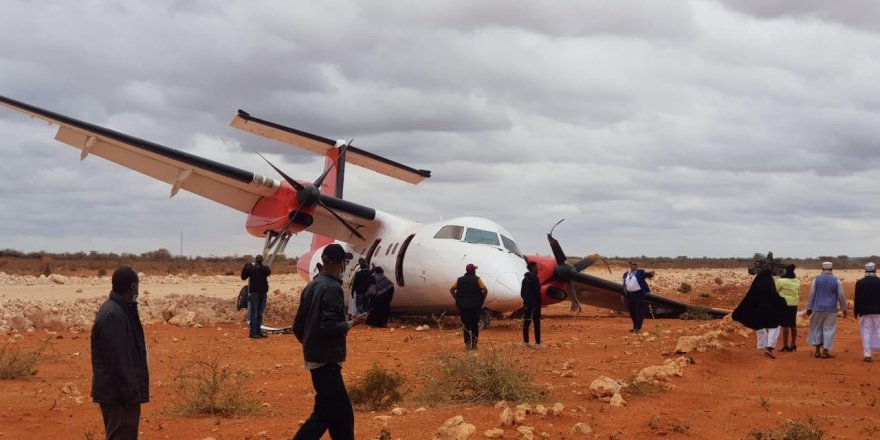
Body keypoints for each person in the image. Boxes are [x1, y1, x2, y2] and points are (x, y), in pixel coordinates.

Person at [293, 244, 366, 440]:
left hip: (316, 358)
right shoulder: (333, 288)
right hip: (327, 361)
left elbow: (298, 326)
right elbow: (330, 326)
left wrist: (311, 344)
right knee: (326, 414)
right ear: (338, 263)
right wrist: (353, 322)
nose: (345, 266)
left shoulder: (311, 286)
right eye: (344, 261)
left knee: (341, 415)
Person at [91, 267, 149, 440]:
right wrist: (131, 394)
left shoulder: (119, 310)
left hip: (119, 392)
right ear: (133, 287)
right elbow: (118, 361)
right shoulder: (113, 315)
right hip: (119, 396)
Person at [732, 264, 788, 358]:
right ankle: (770, 346)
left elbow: (749, 297)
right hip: (770, 310)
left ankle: (762, 346)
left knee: (760, 326)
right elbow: (775, 296)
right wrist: (783, 301)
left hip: (759, 310)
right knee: (774, 326)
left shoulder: (757, 283)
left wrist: (741, 309)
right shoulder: (770, 283)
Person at [806, 261, 847, 359]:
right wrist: (844, 308)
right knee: (829, 330)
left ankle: (816, 351)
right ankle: (825, 352)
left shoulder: (816, 279)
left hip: (817, 307)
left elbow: (812, 294)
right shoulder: (836, 280)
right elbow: (841, 295)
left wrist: (809, 307)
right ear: (832, 269)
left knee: (816, 328)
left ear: (822, 269)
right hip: (831, 309)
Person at [450, 263, 488, 350]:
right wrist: (482, 300)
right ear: (474, 271)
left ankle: (467, 345)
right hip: (475, 307)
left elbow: (452, 289)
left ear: (466, 271)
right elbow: (485, 290)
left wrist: (457, 299)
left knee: (466, 325)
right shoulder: (477, 280)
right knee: (475, 326)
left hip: (464, 307)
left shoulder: (460, 280)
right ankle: (474, 345)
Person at [854, 262, 880, 362]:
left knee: (866, 331)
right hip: (879, 312)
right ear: (875, 270)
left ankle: (867, 354)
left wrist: (856, 311)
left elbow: (857, 298)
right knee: (879, 331)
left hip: (865, 311)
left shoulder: (860, 282)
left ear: (865, 270)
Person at [241, 255, 271, 339]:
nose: (259, 260)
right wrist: (246, 268)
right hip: (255, 293)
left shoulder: (263, 269)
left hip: (262, 293)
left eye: (260, 259)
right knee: (254, 313)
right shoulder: (252, 269)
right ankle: (253, 332)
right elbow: (243, 277)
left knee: (259, 313)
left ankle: (258, 331)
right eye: (258, 259)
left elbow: (268, 272)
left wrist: (248, 268)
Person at [621, 261, 654, 333]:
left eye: (636, 264)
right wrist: (623, 294)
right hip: (630, 295)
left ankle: (638, 328)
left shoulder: (640, 272)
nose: (635, 266)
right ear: (630, 265)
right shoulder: (626, 274)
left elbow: (646, 275)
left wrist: (650, 274)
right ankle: (634, 326)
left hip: (638, 294)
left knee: (638, 311)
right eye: (634, 264)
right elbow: (624, 285)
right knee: (632, 311)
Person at [775, 264, 801, 352]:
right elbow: (798, 292)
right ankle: (793, 344)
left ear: (785, 270)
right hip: (794, 304)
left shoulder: (781, 280)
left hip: (784, 304)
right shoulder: (797, 281)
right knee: (793, 324)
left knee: (785, 325)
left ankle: (785, 345)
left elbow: (776, 292)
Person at [521, 261, 543, 349]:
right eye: (537, 267)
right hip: (535, 304)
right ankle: (538, 343)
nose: (538, 269)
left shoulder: (524, 279)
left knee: (527, 321)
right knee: (536, 322)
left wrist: (526, 300)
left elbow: (522, 292)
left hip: (527, 303)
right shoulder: (535, 278)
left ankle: (526, 342)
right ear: (533, 268)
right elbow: (537, 292)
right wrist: (539, 302)